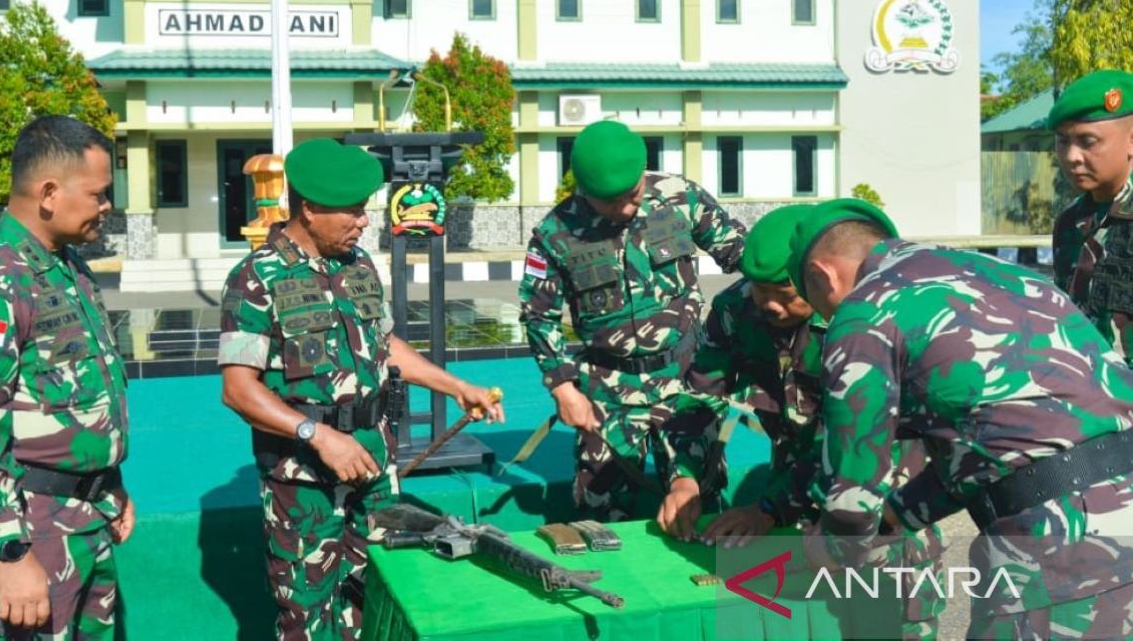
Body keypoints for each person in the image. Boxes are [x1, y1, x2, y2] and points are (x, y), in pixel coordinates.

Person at [790, 198, 1133, 638]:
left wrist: (834, 545)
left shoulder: (865, 310)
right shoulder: (1005, 274)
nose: (827, 319)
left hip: (1056, 548)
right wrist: (895, 521)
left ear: (822, 274)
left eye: (819, 305)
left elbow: (853, 492)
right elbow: (993, 452)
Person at [218, 137, 503, 641]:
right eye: (351, 211)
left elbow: (384, 344)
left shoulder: (358, 266)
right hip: (304, 482)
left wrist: (456, 386)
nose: (364, 222)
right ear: (309, 208)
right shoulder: (255, 279)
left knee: (376, 598)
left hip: (374, 465)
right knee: (305, 616)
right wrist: (318, 435)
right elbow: (239, 390)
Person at [695, 203, 943, 640]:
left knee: (892, 624)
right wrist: (685, 477)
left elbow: (854, 441)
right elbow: (700, 395)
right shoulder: (736, 310)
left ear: (815, 275)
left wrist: (770, 508)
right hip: (792, 498)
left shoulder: (867, 321)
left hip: (879, 498)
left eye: (784, 292)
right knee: (798, 621)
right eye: (759, 289)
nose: (768, 304)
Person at [0, 116, 134, 639]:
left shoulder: (68, 270)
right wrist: (10, 550)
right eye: (98, 194)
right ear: (49, 193)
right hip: (29, 531)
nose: (106, 206)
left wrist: (109, 484)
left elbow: (84, 399)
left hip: (83, 521)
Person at [518, 119, 744, 538]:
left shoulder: (679, 198)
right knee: (601, 515)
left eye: (633, 195)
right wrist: (564, 389)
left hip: (687, 378)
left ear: (644, 172)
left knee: (701, 500)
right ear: (583, 189)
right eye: (610, 201)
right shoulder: (555, 233)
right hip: (608, 390)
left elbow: (742, 256)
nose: (625, 208)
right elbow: (538, 315)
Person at [1050, 69, 1133, 363]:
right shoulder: (1069, 222)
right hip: (1088, 394)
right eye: (1063, 141)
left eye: (1088, 141)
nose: (1072, 156)